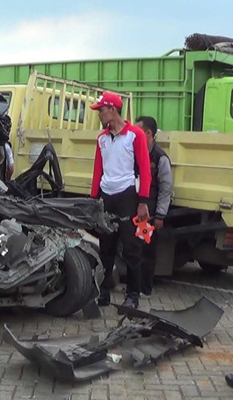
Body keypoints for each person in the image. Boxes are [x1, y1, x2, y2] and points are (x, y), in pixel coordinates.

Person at [90, 92, 151, 310]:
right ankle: (104, 292)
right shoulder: (102, 139)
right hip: (107, 197)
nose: (98, 114)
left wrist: (143, 200)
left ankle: (133, 295)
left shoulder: (135, 135)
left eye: (101, 110)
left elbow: (145, 170)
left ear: (112, 110)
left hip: (128, 196)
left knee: (132, 248)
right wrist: (93, 200)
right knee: (106, 247)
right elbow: (98, 171)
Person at [135, 116, 173, 296]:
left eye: (138, 130)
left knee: (147, 251)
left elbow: (165, 188)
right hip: (133, 211)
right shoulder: (134, 153)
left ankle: (145, 289)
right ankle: (133, 286)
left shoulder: (160, 158)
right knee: (132, 250)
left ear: (148, 133)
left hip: (148, 215)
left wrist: (160, 215)